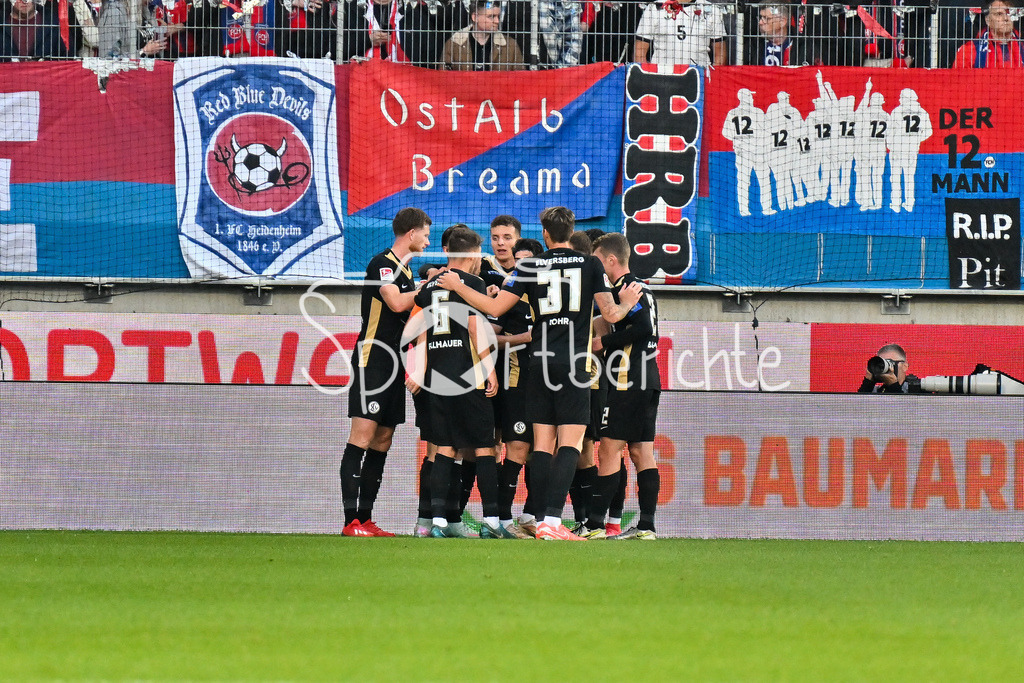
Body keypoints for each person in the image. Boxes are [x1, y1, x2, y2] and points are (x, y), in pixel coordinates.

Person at [438, 206, 643, 541]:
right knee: (572, 442)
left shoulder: (529, 265)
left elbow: (493, 308)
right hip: (575, 363)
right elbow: (611, 314)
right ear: (571, 230)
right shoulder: (590, 264)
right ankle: (551, 520)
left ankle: (538, 516)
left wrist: (457, 287)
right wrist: (626, 301)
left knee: (543, 445)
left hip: (539, 362)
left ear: (545, 234)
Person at [407, 227, 511, 539]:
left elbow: (421, 332)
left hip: (437, 377)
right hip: (467, 373)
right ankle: (492, 521)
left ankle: (438, 523)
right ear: (472, 254)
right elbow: (475, 327)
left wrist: (420, 370)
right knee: (484, 447)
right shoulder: (473, 283)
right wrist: (489, 369)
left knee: (444, 448)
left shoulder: (428, 288)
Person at [341, 207, 431, 537]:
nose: (427, 239)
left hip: (396, 362)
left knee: (384, 438)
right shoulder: (383, 264)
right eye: (425, 233)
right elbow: (394, 303)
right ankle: (350, 521)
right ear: (411, 233)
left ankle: (365, 519)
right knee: (362, 436)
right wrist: (426, 289)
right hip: (373, 359)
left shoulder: (406, 274)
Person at [582, 232, 661, 540]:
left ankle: (595, 525)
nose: (596, 267)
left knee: (610, 450)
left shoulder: (625, 289)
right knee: (642, 452)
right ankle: (646, 526)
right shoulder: (637, 288)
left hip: (630, 380)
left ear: (611, 261)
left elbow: (643, 327)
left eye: (598, 260)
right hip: (646, 378)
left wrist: (605, 341)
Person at [722, 88, 773, 217]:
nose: (752, 98)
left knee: (743, 182)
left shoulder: (732, 113)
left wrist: (738, 139)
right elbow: (767, 130)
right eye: (750, 96)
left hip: (742, 152)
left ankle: (744, 210)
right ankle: (766, 208)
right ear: (745, 98)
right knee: (764, 180)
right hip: (758, 151)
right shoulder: (757, 112)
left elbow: (725, 133)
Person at [633, 0, 726, 68]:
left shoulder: (711, 10)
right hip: (662, 78)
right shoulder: (655, 8)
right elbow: (639, 52)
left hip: (698, 78)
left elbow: (720, 54)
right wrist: (647, 78)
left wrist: (712, 80)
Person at [441, 0, 524, 70]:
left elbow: (520, 79)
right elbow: (444, 78)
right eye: (491, 17)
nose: (497, 21)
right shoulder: (454, 43)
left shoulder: (510, 45)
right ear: (475, 17)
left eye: (498, 16)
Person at [886, 88, 932, 213]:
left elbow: (889, 132)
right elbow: (929, 131)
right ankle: (909, 204)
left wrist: (890, 145)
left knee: (895, 177)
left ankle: (896, 204)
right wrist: (916, 139)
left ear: (906, 99)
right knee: (909, 177)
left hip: (897, 150)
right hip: (912, 150)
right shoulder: (922, 112)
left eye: (902, 97)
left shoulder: (897, 111)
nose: (900, 99)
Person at [953, 0, 1022, 68]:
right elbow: (957, 78)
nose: (1006, 18)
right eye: (999, 14)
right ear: (988, 20)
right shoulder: (969, 51)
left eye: (1009, 13)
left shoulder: (1022, 47)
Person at [0, 0, 72, 59]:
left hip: (44, 75)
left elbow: (67, 56)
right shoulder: (2, 23)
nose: (25, 1)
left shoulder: (53, 23)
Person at [96, 0, 168, 57]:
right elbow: (108, 57)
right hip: (128, 73)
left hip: (151, 71)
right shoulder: (113, 14)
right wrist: (143, 52)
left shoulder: (145, 11)